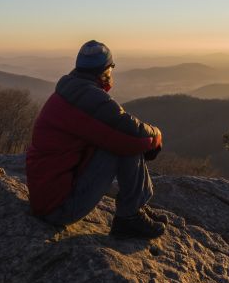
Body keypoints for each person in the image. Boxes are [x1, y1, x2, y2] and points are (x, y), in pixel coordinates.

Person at [26, 40, 166, 240]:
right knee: (125, 144)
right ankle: (129, 217)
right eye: (110, 69)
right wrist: (156, 137)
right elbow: (131, 133)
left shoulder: (72, 91)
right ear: (105, 70)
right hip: (58, 208)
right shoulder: (87, 96)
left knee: (120, 139)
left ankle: (136, 207)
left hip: (48, 198)